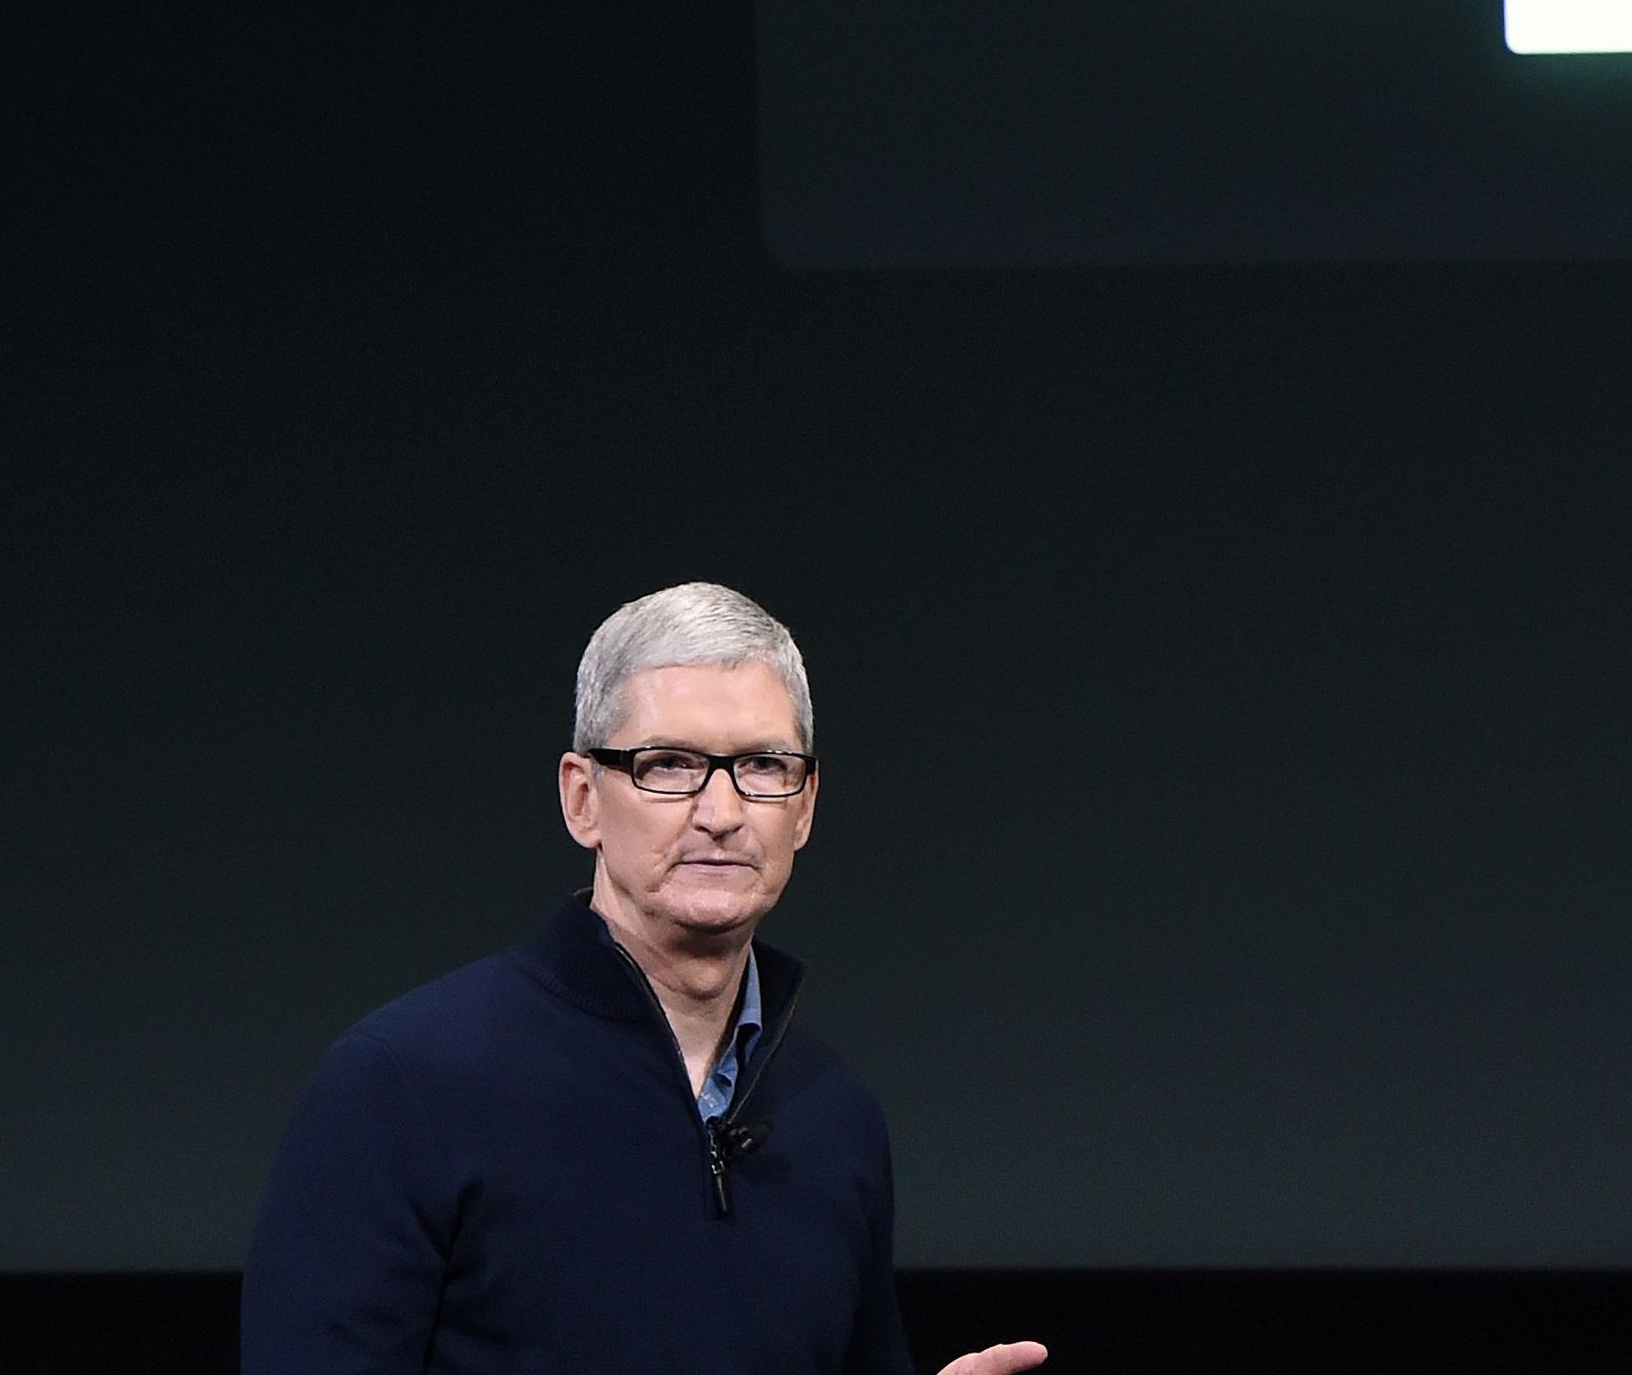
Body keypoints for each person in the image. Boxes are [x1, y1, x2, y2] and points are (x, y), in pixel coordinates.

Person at [243, 582, 1044, 1375]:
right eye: (670, 765)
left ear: (803, 807)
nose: (721, 810)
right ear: (582, 798)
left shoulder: (836, 1119)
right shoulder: (401, 1086)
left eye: (763, 766)